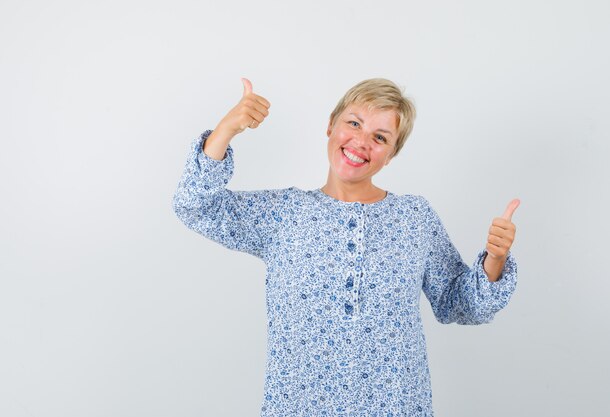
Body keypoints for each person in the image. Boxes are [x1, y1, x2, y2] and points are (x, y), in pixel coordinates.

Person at [172, 77, 519, 416]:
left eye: (380, 137)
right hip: (298, 407)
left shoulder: (414, 218)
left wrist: (495, 259)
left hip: (396, 407)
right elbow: (195, 206)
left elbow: (457, 304)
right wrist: (226, 130)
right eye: (354, 123)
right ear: (330, 126)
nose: (361, 142)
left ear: (391, 154)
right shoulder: (283, 214)